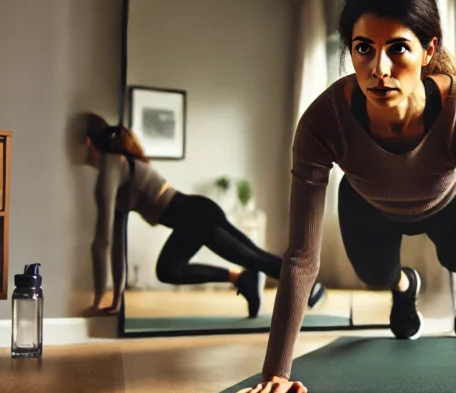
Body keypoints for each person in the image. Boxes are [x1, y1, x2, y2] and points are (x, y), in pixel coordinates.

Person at [230, 0, 456, 393]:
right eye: (363, 49)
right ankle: (406, 286)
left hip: (447, 202)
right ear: (350, 51)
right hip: (367, 204)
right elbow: (301, 256)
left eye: (398, 49)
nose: (378, 69)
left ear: (429, 50)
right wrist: (276, 371)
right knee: (375, 276)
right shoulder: (322, 122)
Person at [84, 114, 326, 317]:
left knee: (253, 257)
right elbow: (115, 242)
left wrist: (96, 303)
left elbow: (102, 241)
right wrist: (115, 301)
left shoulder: (112, 164)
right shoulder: (118, 167)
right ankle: (241, 279)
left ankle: (310, 285)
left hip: (196, 216)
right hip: (190, 219)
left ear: (87, 143)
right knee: (169, 270)